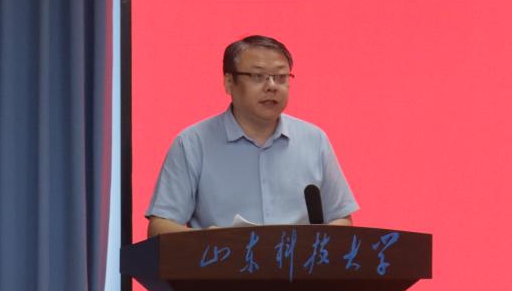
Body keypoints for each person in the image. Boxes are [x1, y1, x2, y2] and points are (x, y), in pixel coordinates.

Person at [146, 35, 358, 237]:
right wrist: (209, 241)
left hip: (297, 263)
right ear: (229, 82)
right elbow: (160, 226)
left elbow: (340, 218)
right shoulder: (192, 143)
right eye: (258, 76)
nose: (272, 86)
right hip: (221, 261)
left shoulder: (314, 140)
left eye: (281, 77)